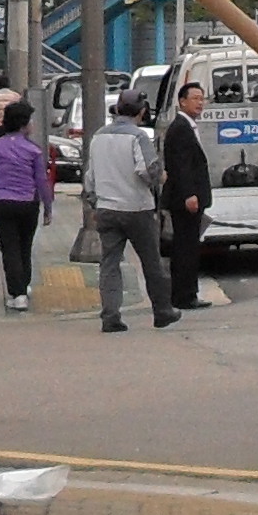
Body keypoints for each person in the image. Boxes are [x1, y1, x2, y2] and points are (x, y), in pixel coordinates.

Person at [82, 91, 176, 335]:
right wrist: (159, 178)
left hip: (107, 209)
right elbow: (145, 169)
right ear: (142, 112)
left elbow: (90, 177)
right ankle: (162, 311)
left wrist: (94, 203)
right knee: (151, 262)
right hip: (137, 208)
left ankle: (110, 316)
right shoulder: (138, 137)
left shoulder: (98, 137)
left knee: (110, 264)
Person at [0, 100, 50, 316]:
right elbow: (41, 181)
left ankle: (17, 293)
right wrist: (48, 208)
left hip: (3, 202)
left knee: (9, 248)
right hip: (29, 204)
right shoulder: (33, 150)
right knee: (25, 246)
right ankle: (23, 286)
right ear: (23, 124)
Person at [163, 79, 215, 310]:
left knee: (189, 246)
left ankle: (185, 293)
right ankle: (184, 295)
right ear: (182, 102)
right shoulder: (180, 129)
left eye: (202, 98)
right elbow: (181, 166)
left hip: (189, 197)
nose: (199, 103)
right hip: (185, 200)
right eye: (195, 98)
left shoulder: (188, 126)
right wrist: (189, 194)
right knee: (185, 248)